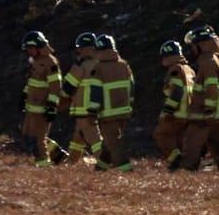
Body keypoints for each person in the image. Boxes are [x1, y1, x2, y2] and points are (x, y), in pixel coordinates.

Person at [179, 25, 219, 170]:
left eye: (194, 45)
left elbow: (212, 88)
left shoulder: (208, 62)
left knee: (191, 143)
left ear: (201, 44)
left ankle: (186, 173)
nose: (192, 49)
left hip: (205, 115)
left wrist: (208, 110)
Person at [20, 31, 68, 167]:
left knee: (37, 140)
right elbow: (31, 81)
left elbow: (56, 87)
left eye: (30, 48)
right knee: (27, 135)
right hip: (31, 107)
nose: (28, 51)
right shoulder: (35, 61)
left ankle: (44, 167)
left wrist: (52, 107)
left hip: (42, 109)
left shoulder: (50, 63)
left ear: (38, 47)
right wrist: (24, 94)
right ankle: (58, 156)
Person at [89, 35, 135, 172]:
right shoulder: (124, 65)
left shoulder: (98, 68)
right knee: (109, 142)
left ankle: (126, 170)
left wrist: (92, 112)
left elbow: (96, 92)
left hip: (107, 114)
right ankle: (100, 169)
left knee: (113, 143)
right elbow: (132, 87)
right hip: (124, 111)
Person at [57, 33, 103, 166]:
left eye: (80, 48)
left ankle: (106, 162)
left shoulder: (81, 66)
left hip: (84, 109)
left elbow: (68, 89)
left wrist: (57, 99)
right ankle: (71, 163)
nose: (78, 51)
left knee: (93, 138)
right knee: (78, 138)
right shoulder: (100, 64)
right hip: (97, 109)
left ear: (86, 48)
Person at [154, 40, 195, 170]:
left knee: (161, 134)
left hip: (177, 112)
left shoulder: (175, 69)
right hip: (188, 113)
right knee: (179, 140)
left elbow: (177, 91)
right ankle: (181, 166)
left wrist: (169, 110)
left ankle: (175, 160)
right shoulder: (189, 70)